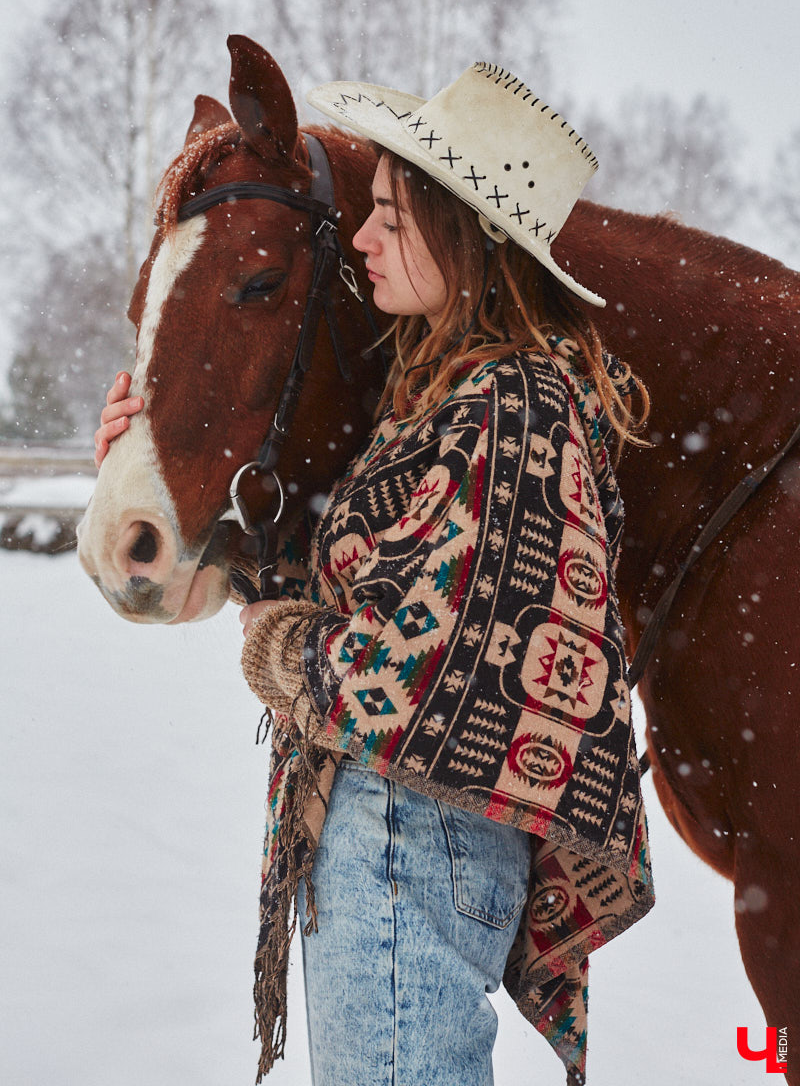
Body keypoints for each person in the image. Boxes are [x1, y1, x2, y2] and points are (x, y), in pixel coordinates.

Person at [96, 62, 654, 1086]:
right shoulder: (452, 405)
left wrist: (277, 644)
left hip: (404, 844)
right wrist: (153, 471)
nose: (359, 239)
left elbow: (409, 678)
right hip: (399, 844)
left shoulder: (508, 412)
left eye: (391, 218)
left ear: (464, 237)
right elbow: (395, 592)